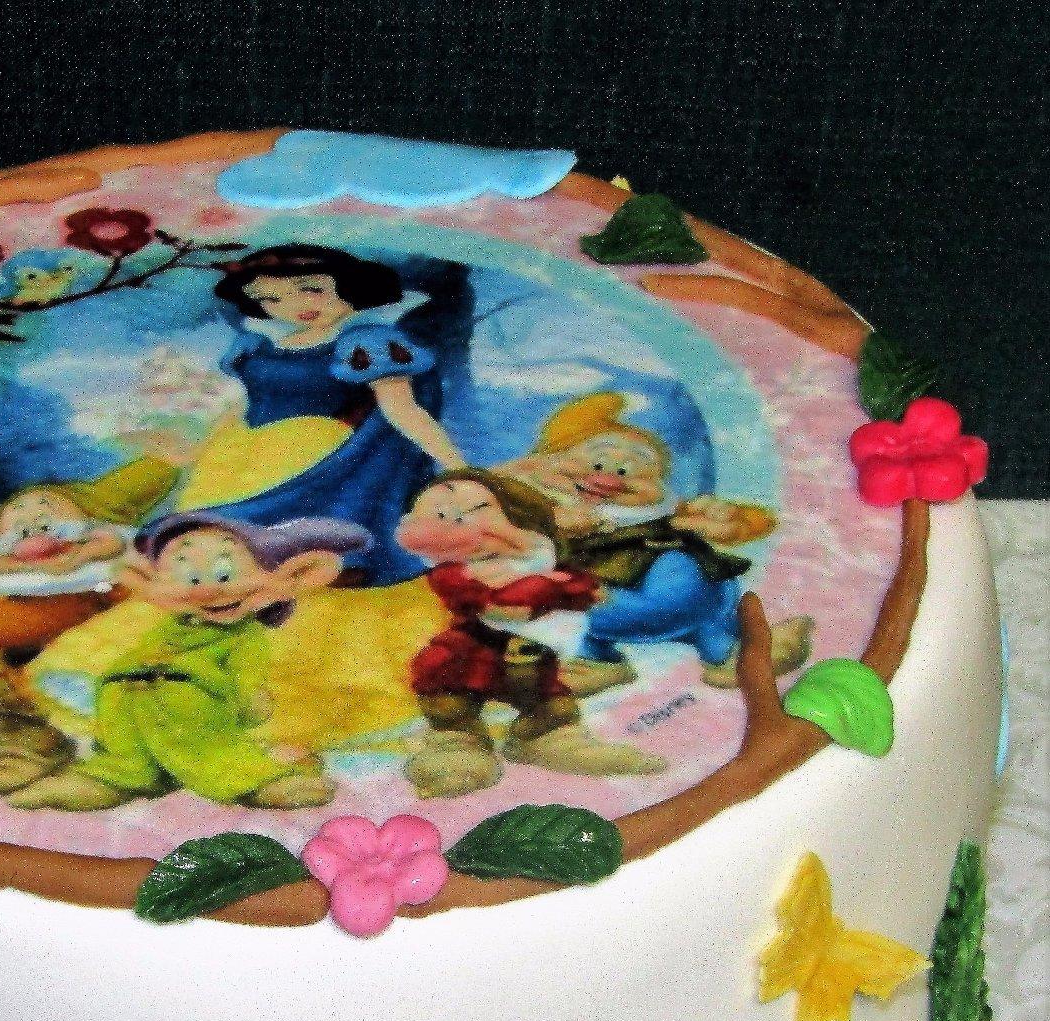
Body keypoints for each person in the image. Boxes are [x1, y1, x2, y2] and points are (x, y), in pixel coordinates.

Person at [9, 512, 367, 811]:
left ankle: (263, 781)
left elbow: (247, 675)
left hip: (194, 712)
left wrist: (249, 701)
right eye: (190, 578)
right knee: (120, 759)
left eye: (225, 575)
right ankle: (110, 779)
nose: (206, 590)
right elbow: (141, 651)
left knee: (215, 757)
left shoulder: (247, 636)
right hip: (127, 706)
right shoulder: (167, 625)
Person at [175, 245, 466, 586]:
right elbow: (247, 403)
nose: (294, 306)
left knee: (285, 549)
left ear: (348, 285)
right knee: (213, 543)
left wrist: (458, 467)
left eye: (311, 289)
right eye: (271, 299)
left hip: (318, 460)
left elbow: (402, 409)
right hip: (241, 458)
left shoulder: (368, 341)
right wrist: (202, 450)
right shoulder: (262, 343)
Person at [504, 393, 811, 693]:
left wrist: (728, 520)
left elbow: (753, 522)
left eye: (631, 470)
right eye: (597, 462)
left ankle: (729, 652)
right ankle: (597, 659)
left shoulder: (667, 512)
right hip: (599, 600)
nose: (610, 478)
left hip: (686, 587)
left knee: (699, 609)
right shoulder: (529, 509)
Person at [396, 471, 667, 796]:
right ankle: (455, 743)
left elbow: (580, 589)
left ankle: (544, 738)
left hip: (532, 657)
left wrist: (558, 579)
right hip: (469, 655)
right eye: (442, 509)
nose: (457, 515)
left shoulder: (539, 560)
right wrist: (552, 589)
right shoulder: (454, 573)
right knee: (449, 703)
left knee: (552, 705)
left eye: (480, 507)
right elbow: (507, 608)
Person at [0, 458, 176, 797]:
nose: (32, 513)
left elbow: (112, 547)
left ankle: (31, 748)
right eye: (17, 509)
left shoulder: (91, 548)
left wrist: (74, 558)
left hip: (43, 656)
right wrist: (8, 566)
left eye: (46, 503)